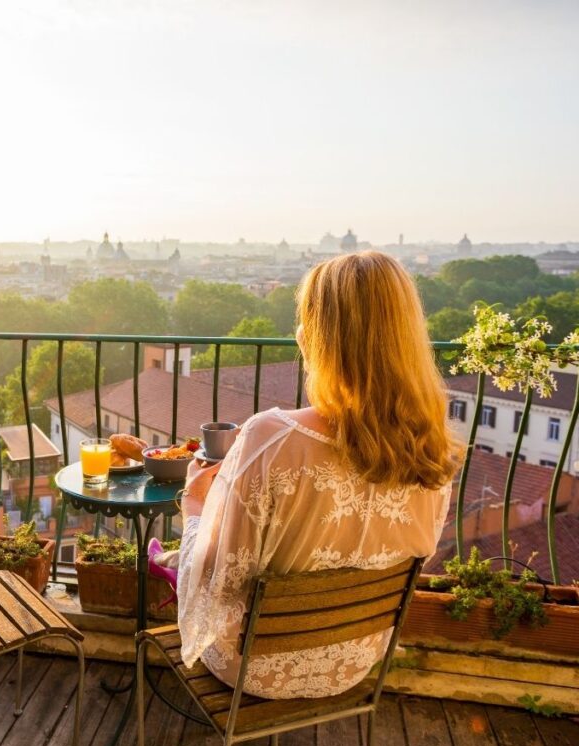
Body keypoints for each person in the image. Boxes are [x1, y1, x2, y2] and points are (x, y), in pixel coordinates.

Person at [153, 251, 461, 698]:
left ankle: (162, 560)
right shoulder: (430, 444)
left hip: (253, 668)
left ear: (318, 337)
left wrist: (196, 503)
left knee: (189, 554)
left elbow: (221, 584)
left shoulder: (272, 437)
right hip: (354, 663)